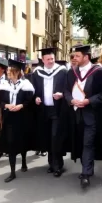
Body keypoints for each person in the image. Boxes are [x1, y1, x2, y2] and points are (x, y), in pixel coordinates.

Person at [64, 45, 102, 188]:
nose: (74, 58)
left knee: (88, 142)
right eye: (73, 56)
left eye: (77, 56)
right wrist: (71, 100)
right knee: (80, 142)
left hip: (91, 114)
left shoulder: (98, 72)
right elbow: (66, 91)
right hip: (75, 113)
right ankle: (88, 168)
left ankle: (86, 173)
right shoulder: (71, 72)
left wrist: (88, 101)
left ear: (86, 57)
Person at [0, 59, 35, 182]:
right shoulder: (4, 86)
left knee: (22, 141)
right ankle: (12, 172)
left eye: (10, 71)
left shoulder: (26, 85)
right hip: (9, 118)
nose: (8, 73)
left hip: (22, 117)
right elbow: (0, 102)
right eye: (8, 71)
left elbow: (30, 102)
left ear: (17, 72)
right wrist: (7, 106)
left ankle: (23, 161)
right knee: (11, 144)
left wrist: (21, 106)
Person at [31, 48, 69, 177]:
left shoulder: (62, 71)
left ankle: (58, 165)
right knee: (47, 137)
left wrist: (62, 94)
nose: (51, 61)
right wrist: (35, 97)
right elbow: (34, 90)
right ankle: (51, 164)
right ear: (42, 60)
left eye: (52, 58)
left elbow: (69, 88)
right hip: (43, 110)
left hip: (57, 110)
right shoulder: (37, 73)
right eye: (48, 59)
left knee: (55, 137)